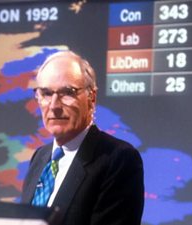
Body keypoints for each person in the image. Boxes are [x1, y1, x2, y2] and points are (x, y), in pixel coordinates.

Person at [21, 50, 144, 225]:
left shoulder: (117, 159)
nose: (54, 105)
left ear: (91, 98)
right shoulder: (40, 157)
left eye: (67, 92)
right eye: (46, 93)